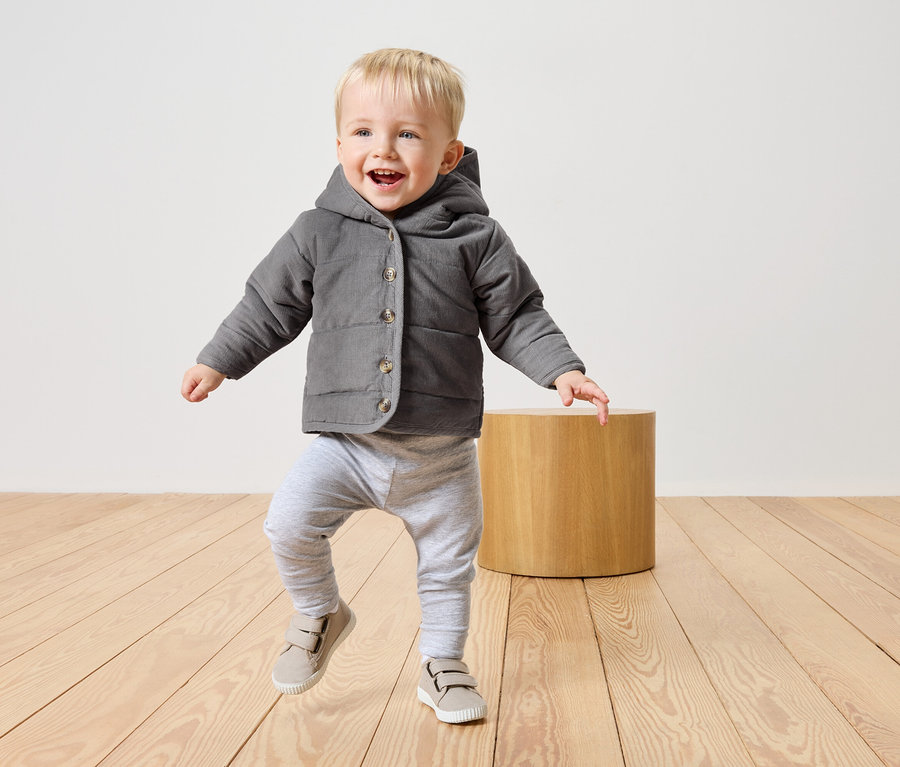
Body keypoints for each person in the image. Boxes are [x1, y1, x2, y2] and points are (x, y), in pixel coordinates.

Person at [181, 48, 609, 725]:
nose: (382, 148)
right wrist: (219, 359)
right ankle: (320, 611)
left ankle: (444, 663)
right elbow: (267, 304)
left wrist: (563, 368)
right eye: (363, 132)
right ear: (340, 142)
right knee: (288, 523)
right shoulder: (317, 231)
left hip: (439, 456)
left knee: (446, 567)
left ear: (447, 155)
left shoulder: (476, 236)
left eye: (407, 133)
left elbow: (518, 312)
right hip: (346, 445)